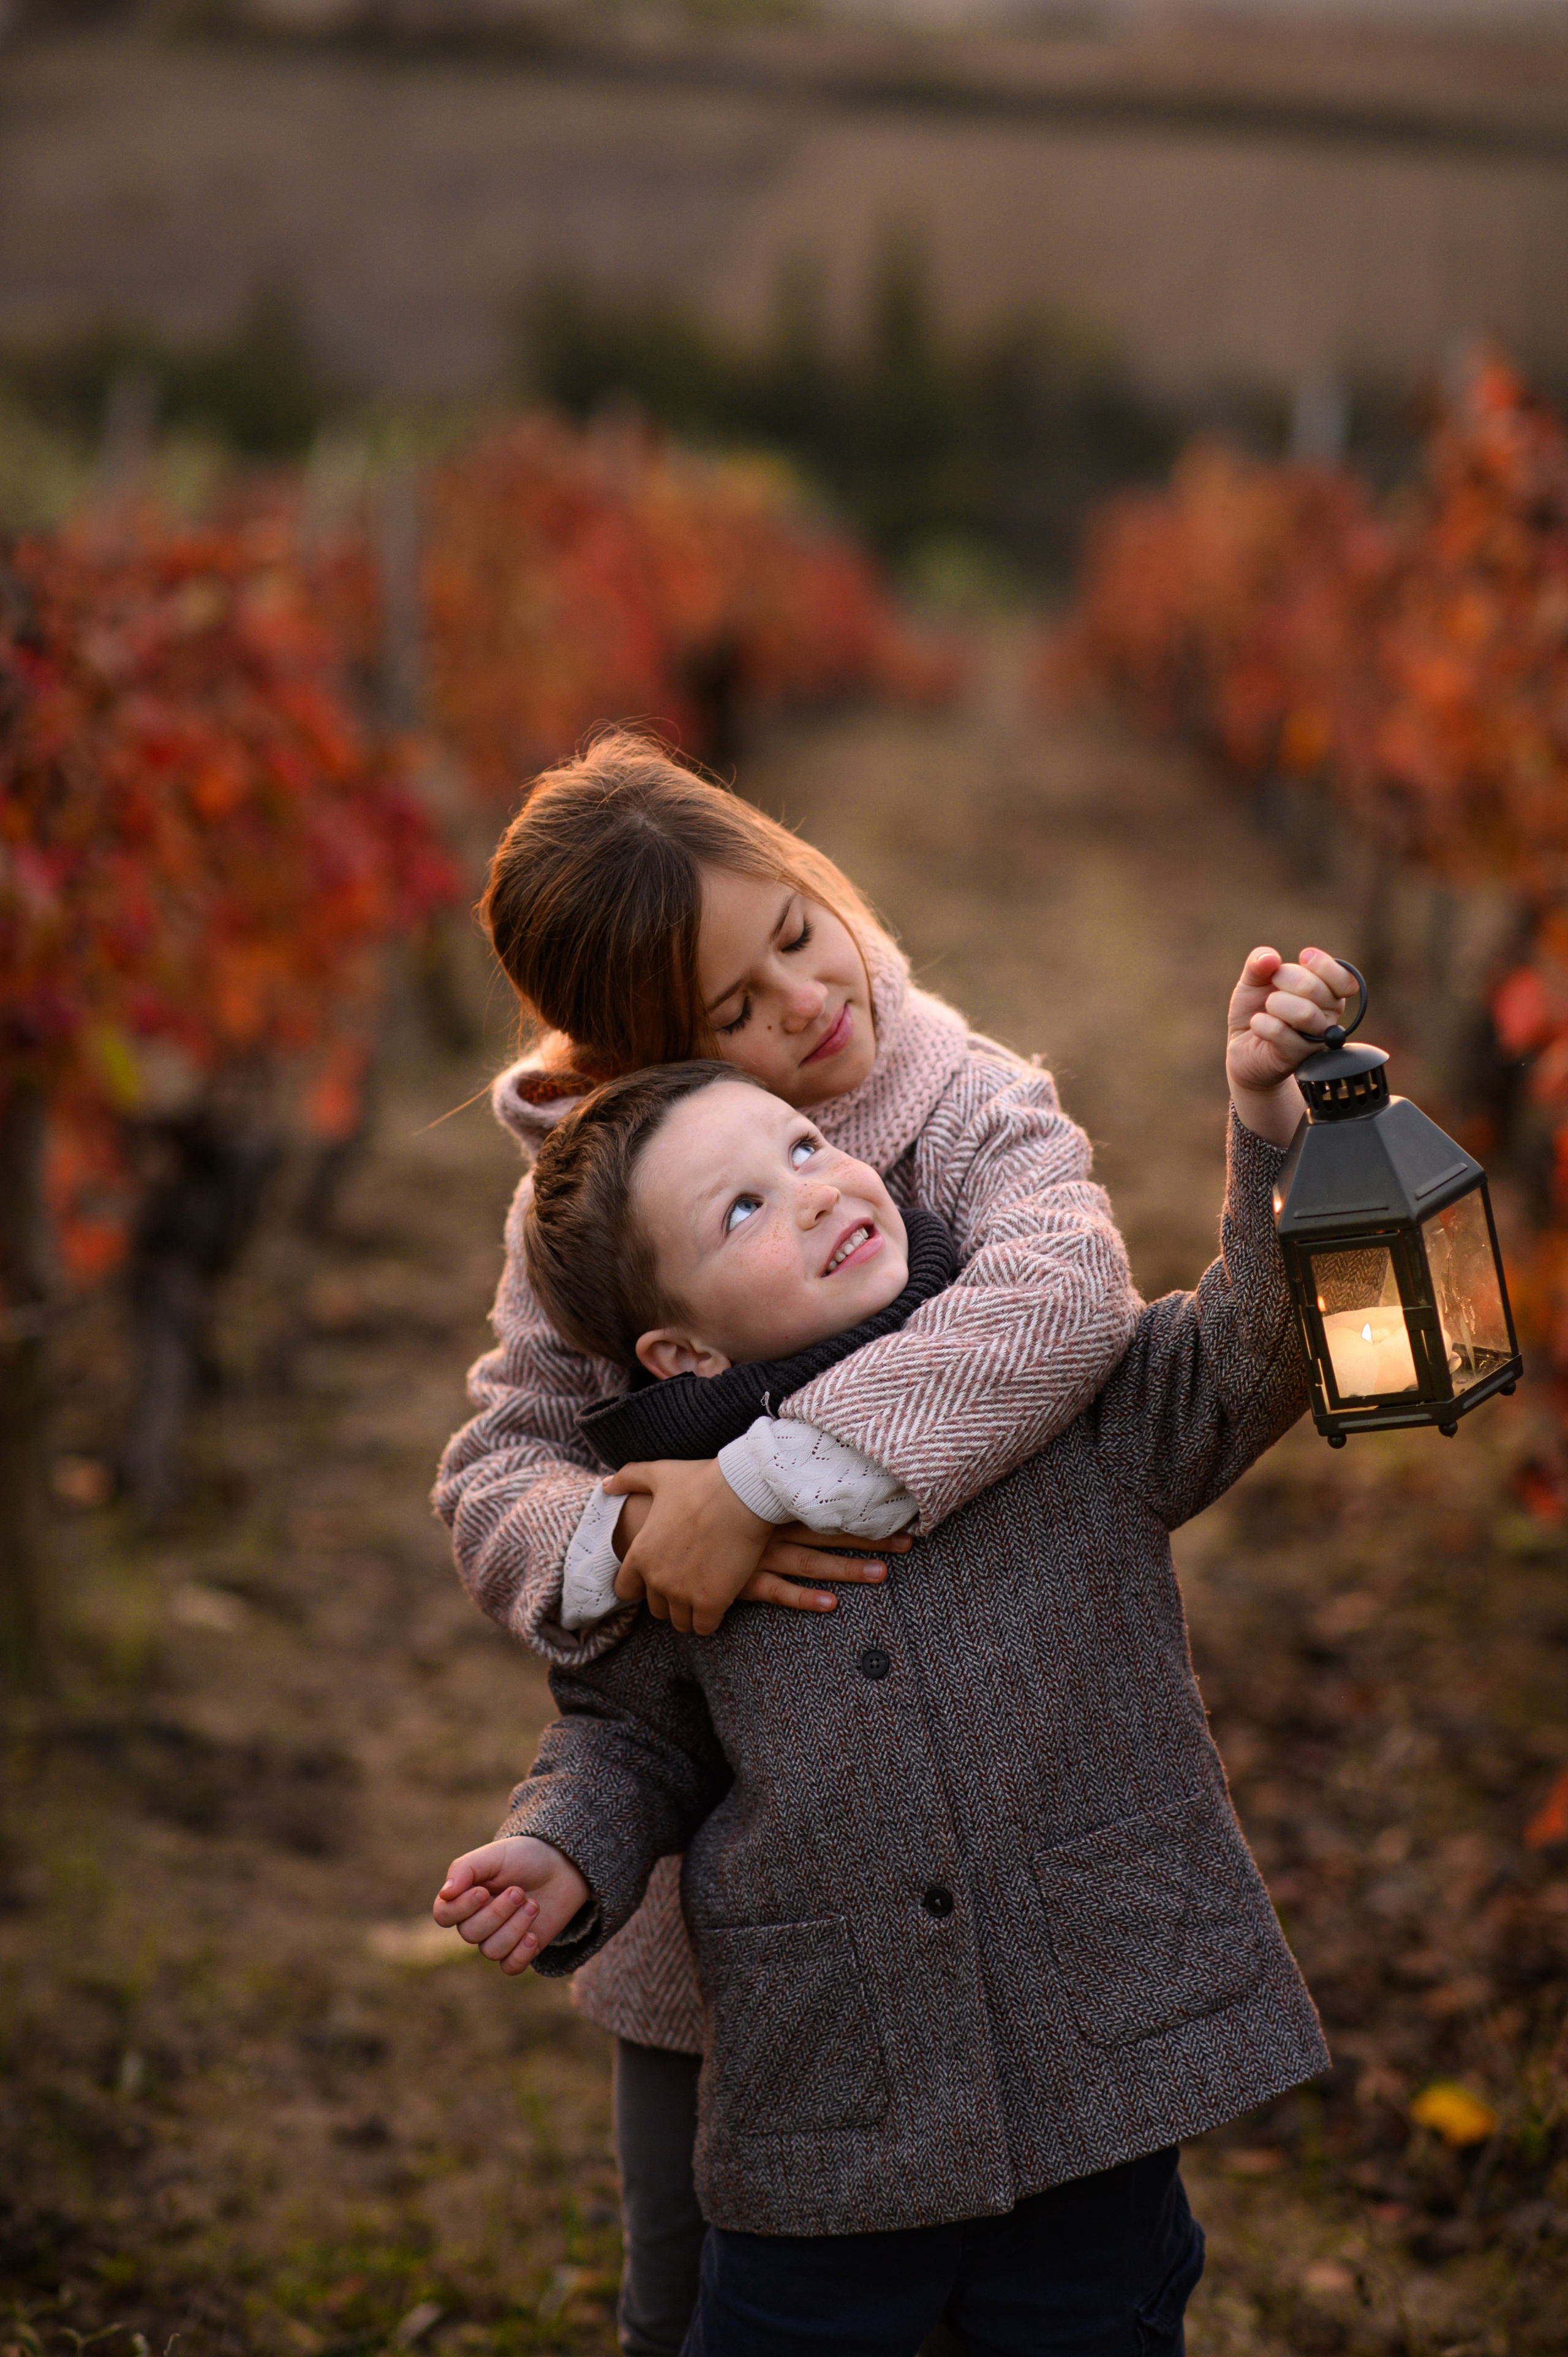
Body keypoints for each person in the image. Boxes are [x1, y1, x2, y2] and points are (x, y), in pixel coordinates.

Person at [432, 944, 1349, 2356]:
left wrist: (1267, 1123)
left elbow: (1253, 1343)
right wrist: (562, 1845)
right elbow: (630, 1733)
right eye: (745, 1206)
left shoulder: (1053, 1394)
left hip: (1083, 2067)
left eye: (803, 1148)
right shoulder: (689, 1516)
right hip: (827, 2107)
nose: (813, 1189)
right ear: (675, 1353)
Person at [434, 729, 1145, 2354]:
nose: (805, 1011)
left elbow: (1064, 1296)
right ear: (641, 1065)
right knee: (698, 2287)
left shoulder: (960, 1098)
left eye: (796, 938)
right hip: (742, 1890)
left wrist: (765, 1483)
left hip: (988, 1838)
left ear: (803, 869)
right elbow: (498, 1470)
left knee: (1029, 2272)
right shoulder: (603, 1211)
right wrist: (641, 1546)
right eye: (730, 1020)